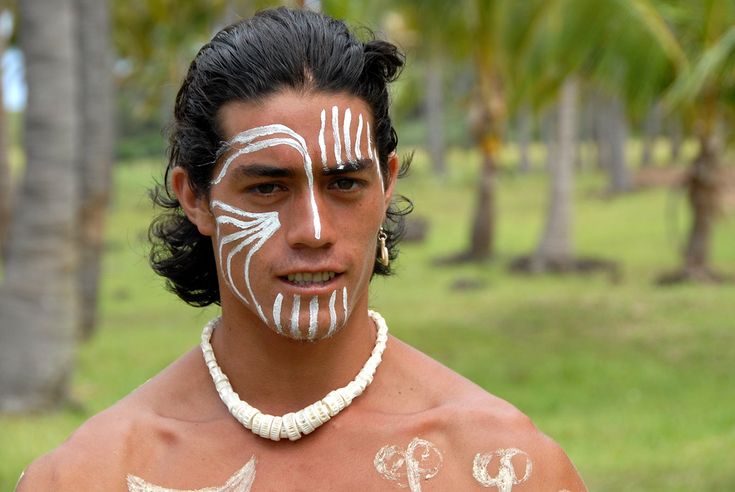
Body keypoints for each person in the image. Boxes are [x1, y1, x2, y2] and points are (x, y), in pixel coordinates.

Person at [18, 7, 586, 491]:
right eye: (267, 187)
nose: (313, 230)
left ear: (387, 185)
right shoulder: (90, 475)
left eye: (344, 184)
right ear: (196, 199)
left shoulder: (501, 467)